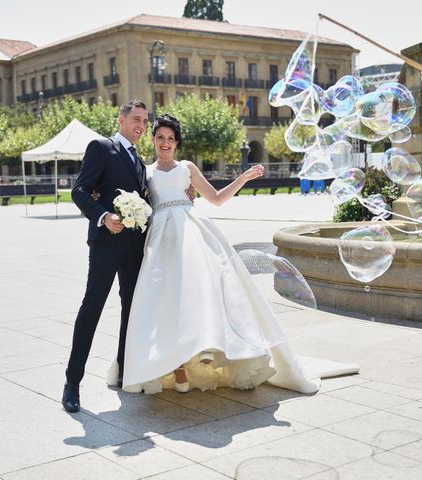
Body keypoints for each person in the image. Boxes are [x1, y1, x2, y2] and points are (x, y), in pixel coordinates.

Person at [108, 114, 355, 395]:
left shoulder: (187, 168)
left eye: (171, 138)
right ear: (152, 140)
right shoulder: (144, 171)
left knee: (199, 293)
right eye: (160, 137)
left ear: (177, 143)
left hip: (192, 233)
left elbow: (215, 199)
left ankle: (207, 347)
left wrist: (244, 177)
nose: (165, 143)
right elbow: (136, 201)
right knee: (165, 300)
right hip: (160, 241)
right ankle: (175, 366)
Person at [62, 101, 192, 413]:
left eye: (144, 122)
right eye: (136, 119)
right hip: (106, 244)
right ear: (121, 119)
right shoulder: (101, 148)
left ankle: (124, 371)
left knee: (131, 311)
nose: (141, 126)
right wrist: (103, 215)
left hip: (137, 247)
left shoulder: (140, 160)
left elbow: (152, 194)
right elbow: (80, 191)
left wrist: (185, 193)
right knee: (91, 307)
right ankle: (72, 382)